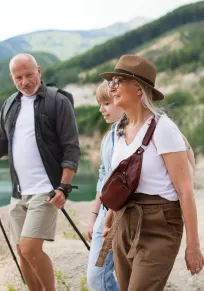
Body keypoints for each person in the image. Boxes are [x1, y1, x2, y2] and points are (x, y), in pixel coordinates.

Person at [0, 53, 80, 291]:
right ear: (12, 78)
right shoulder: (9, 105)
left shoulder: (57, 101)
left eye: (29, 75)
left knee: (29, 248)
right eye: (19, 77)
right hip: (19, 193)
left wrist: (64, 186)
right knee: (21, 251)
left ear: (39, 70)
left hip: (46, 191)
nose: (25, 81)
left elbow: (71, 148)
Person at [95, 54, 204, 291]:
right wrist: (110, 222)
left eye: (118, 81)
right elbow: (122, 183)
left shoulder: (163, 129)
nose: (111, 87)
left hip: (159, 224)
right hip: (124, 222)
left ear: (138, 88)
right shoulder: (120, 130)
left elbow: (185, 191)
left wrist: (192, 245)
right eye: (111, 81)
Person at [86, 81, 122, 291]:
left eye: (106, 102)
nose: (102, 109)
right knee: (97, 277)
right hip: (105, 215)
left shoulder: (130, 135)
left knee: (103, 276)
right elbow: (103, 177)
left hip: (122, 214)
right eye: (100, 103)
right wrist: (94, 216)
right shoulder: (108, 137)